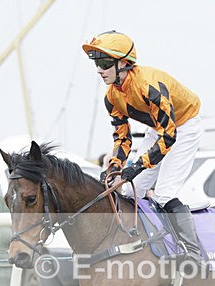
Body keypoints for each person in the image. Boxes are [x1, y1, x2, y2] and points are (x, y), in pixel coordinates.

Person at [82, 30, 204, 265]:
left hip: (184, 126)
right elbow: (122, 138)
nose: (99, 70)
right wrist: (116, 167)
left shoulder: (148, 86)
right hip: (157, 128)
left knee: (165, 194)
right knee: (127, 191)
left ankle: (193, 252)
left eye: (105, 63)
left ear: (124, 64)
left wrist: (137, 166)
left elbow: (169, 136)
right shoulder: (111, 96)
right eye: (97, 63)